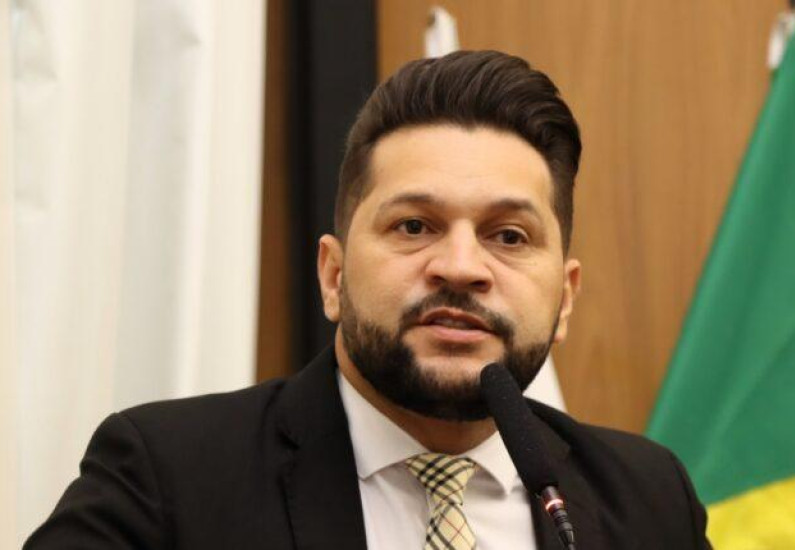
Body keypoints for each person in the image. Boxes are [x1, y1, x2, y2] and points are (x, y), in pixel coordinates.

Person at [26, 50, 711, 549]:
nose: (460, 268)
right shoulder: (169, 476)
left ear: (564, 299)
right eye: (414, 226)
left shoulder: (647, 500)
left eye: (508, 235)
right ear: (333, 275)